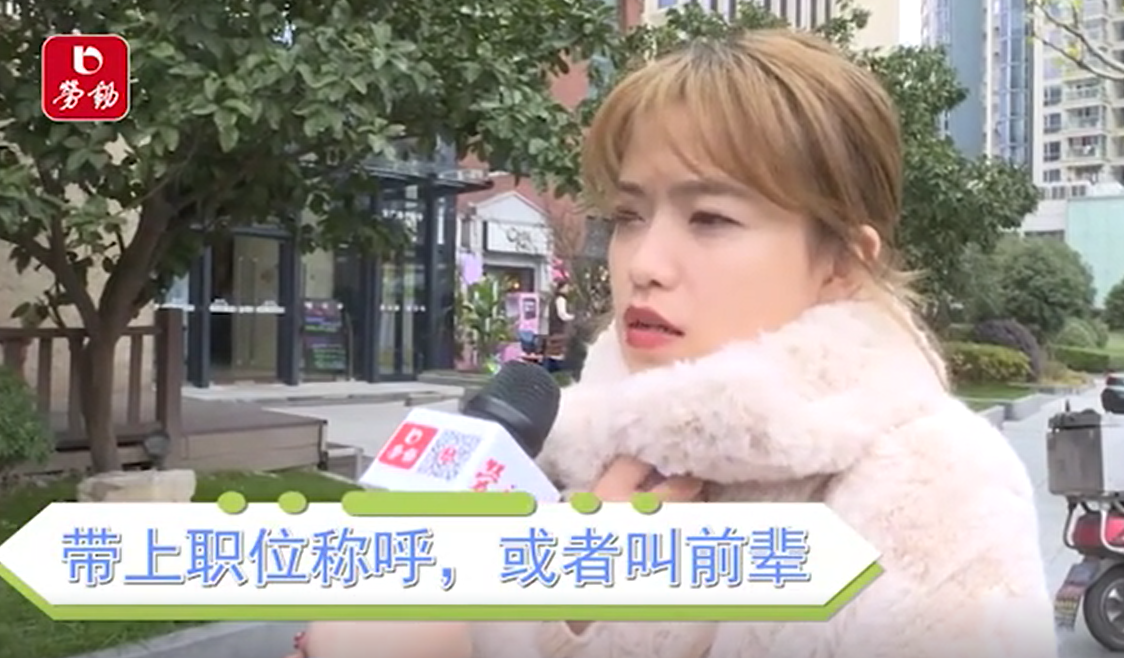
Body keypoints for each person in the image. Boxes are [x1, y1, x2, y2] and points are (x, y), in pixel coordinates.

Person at [288, 28, 1055, 658]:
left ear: (842, 263)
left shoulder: (936, 485)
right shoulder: (562, 449)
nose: (643, 264)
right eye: (629, 216)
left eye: (711, 219)